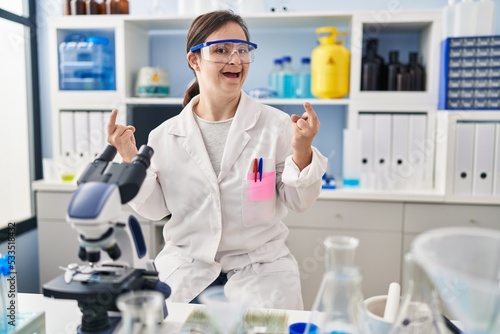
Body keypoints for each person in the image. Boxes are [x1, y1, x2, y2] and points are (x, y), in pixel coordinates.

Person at [107, 10, 327, 310]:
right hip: (187, 271)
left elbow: (299, 202)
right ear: (194, 59)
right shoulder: (165, 136)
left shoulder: (276, 126)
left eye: (242, 50)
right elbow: (156, 209)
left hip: (261, 273)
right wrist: (130, 156)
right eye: (221, 50)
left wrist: (302, 149)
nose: (235, 60)